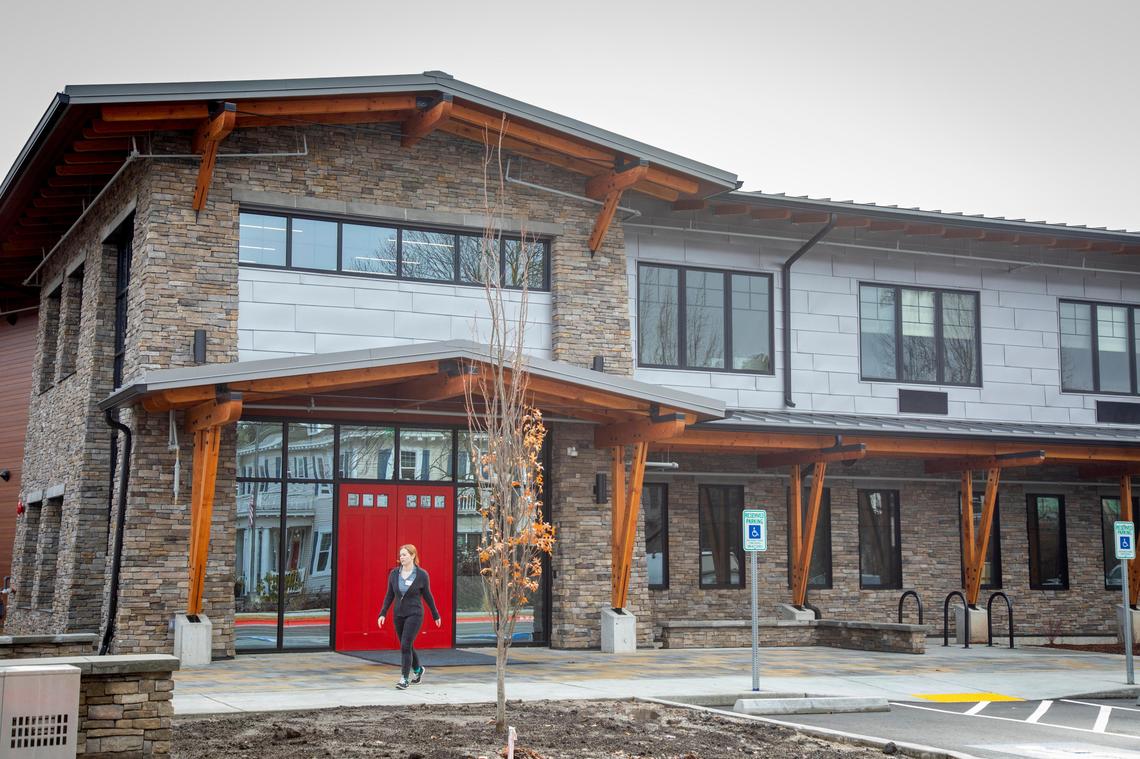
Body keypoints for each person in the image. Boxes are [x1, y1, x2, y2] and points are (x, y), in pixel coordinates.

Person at [377, 544, 441, 689]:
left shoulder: (422, 575)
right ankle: (418, 670)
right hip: (398, 614)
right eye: (400, 555)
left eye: (405, 554)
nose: (401, 557)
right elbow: (389, 595)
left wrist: (435, 614)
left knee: (405, 645)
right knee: (407, 645)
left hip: (415, 614)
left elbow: (428, 596)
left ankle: (404, 679)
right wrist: (383, 613)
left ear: (413, 556)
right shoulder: (394, 574)